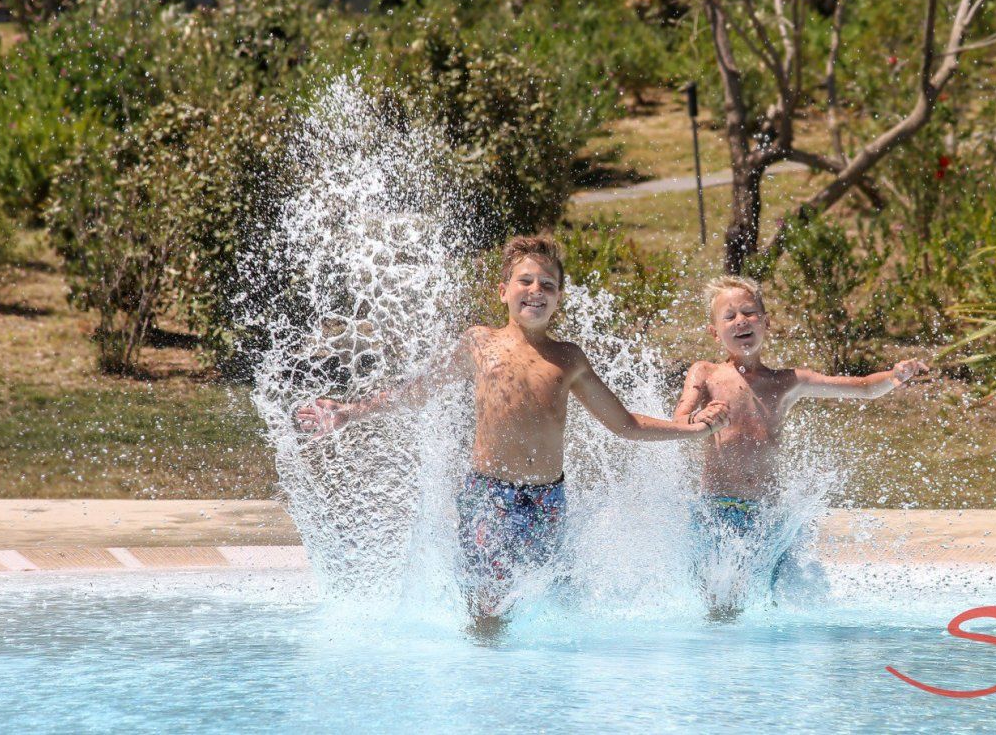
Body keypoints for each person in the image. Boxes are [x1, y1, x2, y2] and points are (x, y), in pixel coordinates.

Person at [297, 236, 728, 626]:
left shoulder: (567, 358)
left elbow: (626, 425)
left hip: (548, 498)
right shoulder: (479, 343)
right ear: (503, 291)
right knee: (487, 607)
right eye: (526, 281)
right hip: (490, 496)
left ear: (559, 299)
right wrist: (352, 411)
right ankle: (487, 684)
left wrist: (689, 430)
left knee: (544, 607)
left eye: (548, 285)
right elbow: (417, 391)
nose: (536, 291)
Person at [672, 275, 929, 616]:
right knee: (721, 607)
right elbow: (680, 420)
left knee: (772, 604)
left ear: (766, 322)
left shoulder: (788, 382)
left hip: (768, 516)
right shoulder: (704, 373)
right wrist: (701, 419)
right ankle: (721, 665)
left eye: (749, 312)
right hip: (715, 512)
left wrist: (895, 376)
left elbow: (863, 387)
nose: (740, 321)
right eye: (729, 316)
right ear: (713, 331)